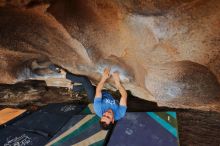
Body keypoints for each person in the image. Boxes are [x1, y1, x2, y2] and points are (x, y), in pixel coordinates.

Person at [58, 67, 127, 130]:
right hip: (109, 94)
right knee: (89, 87)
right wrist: (117, 82)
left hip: (95, 97)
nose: (106, 113)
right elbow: (124, 96)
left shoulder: (98, 109)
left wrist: (104, 77)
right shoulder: (120, 113)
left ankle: (65, 74)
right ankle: (75, 88)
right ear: (112, 120)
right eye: (108, 117)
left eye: (104, 115)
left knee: (84, 80)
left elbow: (98, 91)